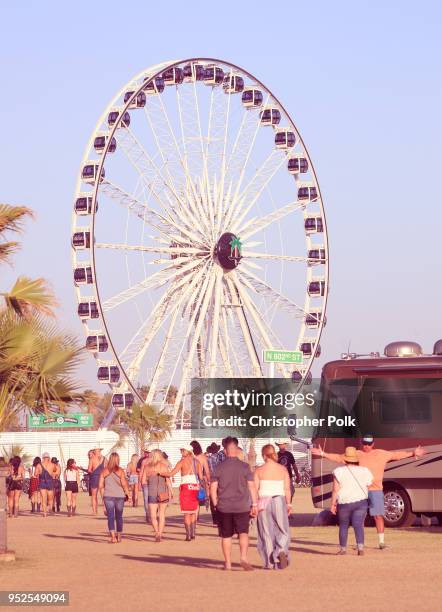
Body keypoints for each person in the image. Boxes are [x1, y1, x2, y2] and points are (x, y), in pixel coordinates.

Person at [312, 435, 427, 549]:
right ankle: (360, 543)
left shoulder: (381, 454)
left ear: (373, 444)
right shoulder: (356, 454)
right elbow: (338, 457)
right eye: (364, 443)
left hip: (376, 490)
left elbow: (396, 455)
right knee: (360, 518)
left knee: (378, 516)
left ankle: (381, 542)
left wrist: (413, 453)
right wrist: (323, 454)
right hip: (360, 491)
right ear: (362, 443)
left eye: (368, 444)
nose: (366, 446)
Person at [210, 437, 258, 571]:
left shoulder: (218, 467)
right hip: (242, 506)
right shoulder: (245, 467)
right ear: (237, 450)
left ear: (225, 451)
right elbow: (252, 486)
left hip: (224, 507)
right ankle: (243, 558)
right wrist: (254, 504)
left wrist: (215, 503)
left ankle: (228, 563)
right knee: (243, 533)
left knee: (226, 536)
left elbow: (212, 488)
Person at [254, 444, 292, 569]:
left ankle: (269, 563)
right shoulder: (282, 469)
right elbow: (287, 489)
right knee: (283, 529)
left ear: (264, 455)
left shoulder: (259, 470)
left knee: (265, 532)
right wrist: (289, 504)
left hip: (263, 501)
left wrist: (254, 505)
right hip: (278, 499)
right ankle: (280, 550)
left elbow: (254, 489)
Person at [330, 446, 373, 555]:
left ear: (345, 458)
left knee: (344, 525)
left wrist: (333, 504)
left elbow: (335, 490)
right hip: (361, 502)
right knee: (358, 525)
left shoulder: (338, 471)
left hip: (344, 503)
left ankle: (343, 549)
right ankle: (360, 548)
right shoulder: (365, 470)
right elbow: (369, 485)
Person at [159, 446, 202, 541]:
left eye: (182, 450)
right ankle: (193, 533)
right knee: (193, 512)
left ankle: (188, 535)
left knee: (186, 513)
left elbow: (171, 474)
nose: (180, 452)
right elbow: (201, 477)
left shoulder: (182, 462)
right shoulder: (197, 462)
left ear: (186, 451)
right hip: (195, 487)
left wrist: (160, 473)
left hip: (185, 487)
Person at [98, 452, 130, 543]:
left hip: (108, 496)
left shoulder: (104, 471)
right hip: (120, 496)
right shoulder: (120, 471)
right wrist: (128, 494)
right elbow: (124, 484)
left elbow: (100, 486)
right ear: (117, 460)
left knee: (110, 517)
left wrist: (102, 498)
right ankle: (119, 536)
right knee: (119, 517)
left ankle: (113, 537)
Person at [144, 449, 173, 542]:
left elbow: (143, 481)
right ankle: (160, 533)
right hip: (163, 492)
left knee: (152, 516)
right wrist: (171, 492)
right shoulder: (164, 466)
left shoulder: (147, 467)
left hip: (151, 492)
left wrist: (150, 480)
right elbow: (168, 481)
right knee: (162, 514)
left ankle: (156, 532)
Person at [190, 440, 210, 515]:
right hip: (199, 479)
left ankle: (194, 516)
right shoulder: (203, 457)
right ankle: (196, 516)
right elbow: (207, 471)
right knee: (198, 498)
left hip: (190, 479)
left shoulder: (189, 458)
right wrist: (208, 481)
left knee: (192, 499)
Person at [206, 443, 222, 525]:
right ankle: (220, 517)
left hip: (212, 479)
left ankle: (215, 519)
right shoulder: (221, 457)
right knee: (221, 498)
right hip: (221, 479)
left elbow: (207, 471)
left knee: (213, 499)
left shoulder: (208, 458)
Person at [88, 448, 106, 515]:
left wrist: (92, 472)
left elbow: (89, 470)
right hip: (102, 477)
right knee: (103, 495)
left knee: (94, 495)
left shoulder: (92, 459)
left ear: (94, 452)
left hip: (94, 477)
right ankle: (105, 509)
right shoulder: (104, 459)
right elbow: (107, 468)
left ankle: (95, 511)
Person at [40, 452, 56, 517]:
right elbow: (55, 471)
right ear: (49, 458)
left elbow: (36, 473)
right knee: (50, 498)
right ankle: (50, 509)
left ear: (43, 458)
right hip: (50, 482)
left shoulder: (39, 465)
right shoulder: (52, 465)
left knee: (43, 498)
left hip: (42, 481)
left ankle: (44, 513)